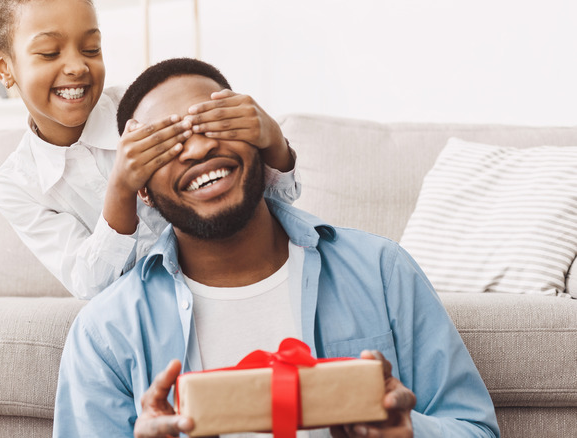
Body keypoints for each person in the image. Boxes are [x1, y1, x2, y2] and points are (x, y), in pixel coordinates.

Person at [53, 58, 500, 438]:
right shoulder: (104, 334)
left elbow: (474, 427)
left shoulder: (382, 272)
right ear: (143, 192)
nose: (200, 147)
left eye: (216, 123)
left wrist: (408, 432)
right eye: (165, 145)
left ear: (257, 137)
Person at [0, 0, 300, 299]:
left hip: (229, 278)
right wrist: (121, 189)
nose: (77, 66)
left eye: (91, 48)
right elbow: (90, 285)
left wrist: (272, 140)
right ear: (4, 67)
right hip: (145, 309)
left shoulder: (146, 107)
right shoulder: (16, 185)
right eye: (49, 52)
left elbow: (276, 200)